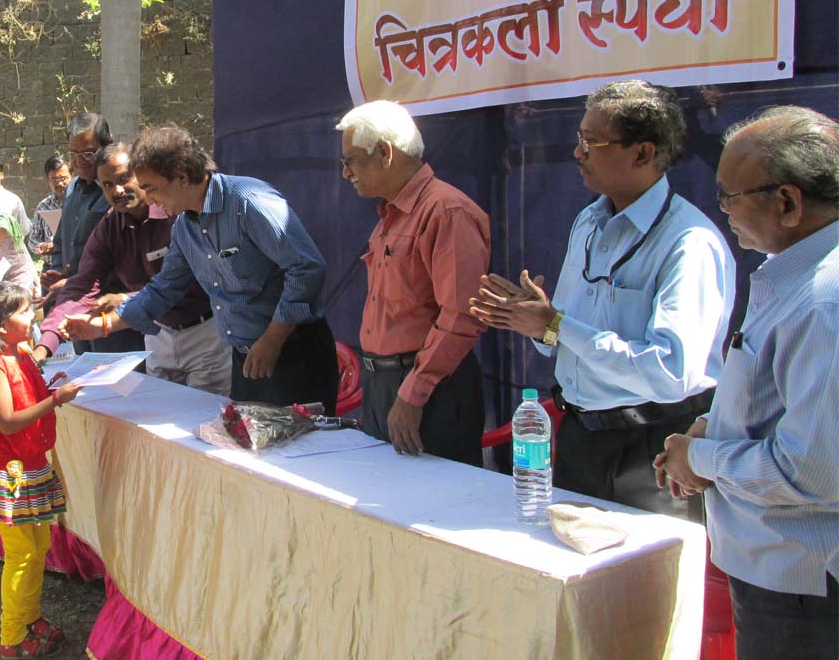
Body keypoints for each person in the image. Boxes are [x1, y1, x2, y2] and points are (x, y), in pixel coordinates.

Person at [470, 80, 734, 514]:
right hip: (582, 438)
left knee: (649, 559)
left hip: (653, 448)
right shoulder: (589, 221)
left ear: (643, 153)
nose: (578, 152)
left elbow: (671, 373)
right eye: (580, 139)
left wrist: (556, 324)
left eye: (592, 142)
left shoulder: (688, 244)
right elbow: (565, 334)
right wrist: (537, 322)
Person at [652, 106, 838, 659]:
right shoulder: (799, 277)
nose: (723, 211)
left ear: (788, 203)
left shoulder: (823, 302)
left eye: (730, 197)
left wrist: (701, 457)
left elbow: (812, 471)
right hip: (781, 573)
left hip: (801, 585)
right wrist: (713, 428)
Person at [71, 126, 340, 412]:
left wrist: (273, 337)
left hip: (293, 352)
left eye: (151, 188)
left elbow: (305, 267)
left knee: (299, 441)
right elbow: (164, 288)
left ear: (182, 177)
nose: (148, 199)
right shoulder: (185, 227)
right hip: (246, 360)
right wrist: (105, 324)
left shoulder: (249, 202)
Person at [337, 102, 491, 464]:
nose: (346, 173)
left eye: (350, 161)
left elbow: (462, 316)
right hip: (385, 385)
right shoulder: (392, 216)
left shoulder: (446, 211)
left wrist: (413, 393)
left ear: (384, 153)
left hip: (431, 391)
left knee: (433, 498)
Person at [41, 144, 229, 395]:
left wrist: (124, 299)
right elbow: (82, 285)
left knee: (204, 413)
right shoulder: (109, 226)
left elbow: (183, 284)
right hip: (157, 333)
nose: (117, 191)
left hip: (204, 332)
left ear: (141, 174)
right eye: (107, 185)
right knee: (159, 411)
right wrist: (45, 344)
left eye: (124, 179)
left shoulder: (176, 215)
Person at [0, 282, 81, 658]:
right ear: (1, 326)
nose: (33, 317)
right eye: (25, 311)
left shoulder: (22, 356)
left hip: (30, 466)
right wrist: (54, 401)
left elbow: (25, 399)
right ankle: (12, 636)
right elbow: (8, 421)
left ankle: (30, 618)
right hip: (7, 473)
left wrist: (47, 390)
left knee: (38, 546)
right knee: (21, 553)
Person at [43, 114, 113, 296]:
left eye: (88, 154)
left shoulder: (115, 194)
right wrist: (58, 272)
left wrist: (75, 282)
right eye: (73, 154)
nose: (79, 161)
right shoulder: (71, 189)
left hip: (105, 296)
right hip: (70, 293)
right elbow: (61, 241)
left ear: (107, 146)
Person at [26, 154, 70, 264]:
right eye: (54, 179)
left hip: (76, 266)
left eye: (63, 178)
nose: (59, 183)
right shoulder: (44, 206)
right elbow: (32, 240)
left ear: (72, 176)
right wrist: (42, 246)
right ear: (48, 180)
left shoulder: (81, 203)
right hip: (51, 265)